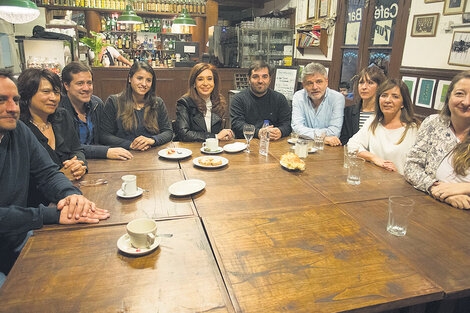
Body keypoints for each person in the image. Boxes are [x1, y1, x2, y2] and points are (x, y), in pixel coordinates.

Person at [0, 69, 109, 280]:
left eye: (15, 100)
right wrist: (52, 215)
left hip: (20, 236)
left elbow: (48, 173)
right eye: (1, 100)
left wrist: (71, 195)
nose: (12, 108)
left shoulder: (19, 131)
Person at [405, 71, 470, 210]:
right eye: (460, 94)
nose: (466, 102)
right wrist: (436, 188)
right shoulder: (433, 123)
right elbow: (411, 166)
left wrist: (465, 188)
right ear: (448, 97)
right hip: (432, 206)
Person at [60, 61, 133, 160]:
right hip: (71, 163)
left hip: (98, 161)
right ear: (66, 85)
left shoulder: (97, 103)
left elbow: (104, 136)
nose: (86, 88)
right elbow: (69, 147)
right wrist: (105, 151)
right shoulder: (59, 110)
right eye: (80, 83)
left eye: (89, 83)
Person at [348, 78, 420, 175]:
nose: (388, 100)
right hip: (374, 180)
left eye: (395, 97)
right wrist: (375, 159)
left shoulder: (414, 129)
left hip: (401, 185)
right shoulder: (373, 121)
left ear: (403, 103)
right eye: (384, 95)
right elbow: (352, 144)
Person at [100, 61, 173, 150]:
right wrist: (130, 145)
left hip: (153, 155)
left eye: (148, 80)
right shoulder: (114, 102)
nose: (144, 84)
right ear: (130, 78)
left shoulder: (157, 102)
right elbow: (104, 135)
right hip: (123, 155)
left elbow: (168, 132)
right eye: (139, 78)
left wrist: (152, 140)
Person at [230, 61, 292, 140]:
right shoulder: (238, 99)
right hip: (247, 144)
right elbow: (237, 125)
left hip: (274, 144)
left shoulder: (279, 99)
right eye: (255, 77)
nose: (260, 81)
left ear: (270, 79)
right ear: (248, 79)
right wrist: (258, 133)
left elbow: (287, 124)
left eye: (264, 77)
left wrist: (280, 131)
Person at [176, 63, 234, 141]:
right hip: (193, 149)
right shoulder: (184, 103)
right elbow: (184, 134)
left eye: (209, 79)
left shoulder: (219, 101)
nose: (205, 83)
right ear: (194, 83)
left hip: (214, 150)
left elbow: (219, 132)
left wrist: (225, 135)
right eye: (200, 79)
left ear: (214, 82)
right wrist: (215, 137)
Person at [291, 62, 345, 146]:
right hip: (304, 146)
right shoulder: (298, 97)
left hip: (328, 149)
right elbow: (296, 128)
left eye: (319, 81)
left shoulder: (337, 98)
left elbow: (335, 132)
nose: (315, 87)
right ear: (304, 85)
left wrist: (307, 134)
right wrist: (322, 138)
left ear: (326, 82)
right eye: (310, 83)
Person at [340, 65, 387, 145]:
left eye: (370, 83)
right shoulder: (348, 112)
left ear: (379, 86)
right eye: (361, 82)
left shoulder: (384, 114)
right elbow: (344, 139)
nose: (364, 87)